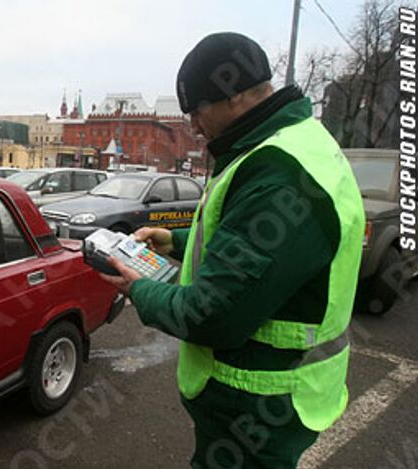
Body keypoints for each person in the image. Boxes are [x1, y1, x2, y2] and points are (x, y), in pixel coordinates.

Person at [100, 32, 365, 468]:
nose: (194, 126)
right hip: (271, 394)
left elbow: (212, 316)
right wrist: (176, 241)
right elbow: (250, 248)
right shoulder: (288, 144)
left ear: (236, 96)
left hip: (258, 406)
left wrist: (140, 287)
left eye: (198, 111)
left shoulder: (279, 174)